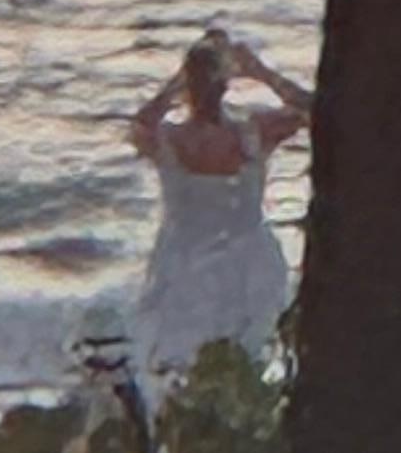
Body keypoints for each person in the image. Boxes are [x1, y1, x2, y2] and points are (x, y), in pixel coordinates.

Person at [124, 27, 311, 386]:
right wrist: (261, 72)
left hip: (186, 262)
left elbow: (138, 124)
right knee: (245, 364)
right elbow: (314, 110)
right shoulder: (255, 131)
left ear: (188, 88)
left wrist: (174, 85)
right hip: (245, 261)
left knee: (182, 368)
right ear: (229, 83)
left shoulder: (170, 140)